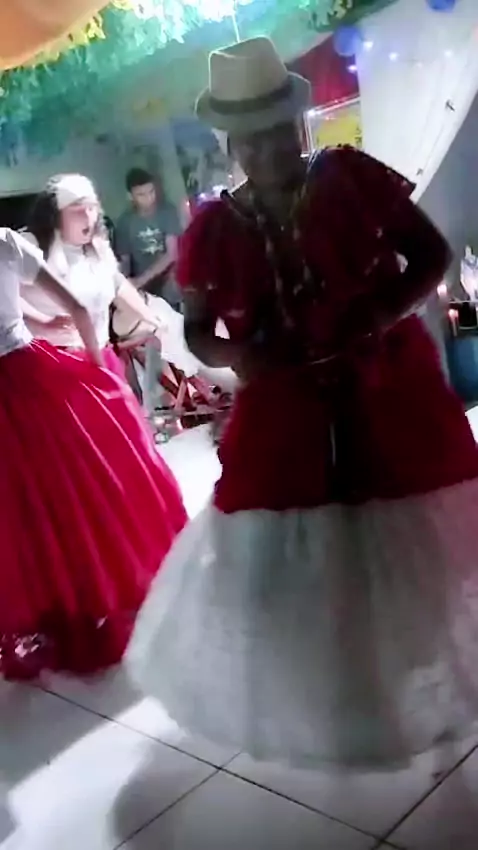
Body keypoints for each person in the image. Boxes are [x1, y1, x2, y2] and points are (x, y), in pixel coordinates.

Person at [127, 37, 478, 770]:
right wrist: (235, 357)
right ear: (232, 145)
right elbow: (196, 329)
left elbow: (431, 256)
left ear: (298, 123)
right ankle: (338, 697)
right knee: (295, 558)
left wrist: (377, 313)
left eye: (276, 132)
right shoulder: (212, 228)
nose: (266, 151)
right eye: (248, 140)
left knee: (411, 540)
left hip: (384, 384)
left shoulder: (348, 178)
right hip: (283, 406)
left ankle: (417, 680)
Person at [0, 226, 187, 681]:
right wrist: (98, 368)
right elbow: (78, 308)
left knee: (20, 517)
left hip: (22, 384)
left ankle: (39, 620)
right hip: (30, 381)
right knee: (71, 500)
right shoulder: (5, 242)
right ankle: (85, 605)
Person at [21, 173, 165, 381]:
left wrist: (151, 318)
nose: (88, 216)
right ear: (55, 214)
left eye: (92, 208)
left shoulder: (98, 248)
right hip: (50, 363)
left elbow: (116, 284)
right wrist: (41, 322)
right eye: (78, 209)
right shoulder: (30, 244)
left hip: (98, 354)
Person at [116, 167, 182, 309]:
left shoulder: (167, 211)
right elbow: (125, 261)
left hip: (168, 280)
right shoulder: (125, 222)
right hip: (143, 287)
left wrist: (141, 280)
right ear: (130, 196)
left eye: (151, 192)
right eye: (141, 195)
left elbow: (172, 254)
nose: (149, 198)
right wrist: (126, 286)